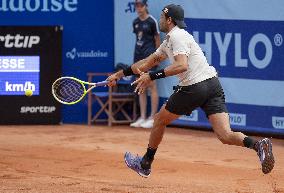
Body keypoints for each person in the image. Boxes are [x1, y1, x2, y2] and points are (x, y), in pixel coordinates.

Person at [107, 4, 275, 177]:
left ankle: (145, 164)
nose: (160, 20)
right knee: (225, 135)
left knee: (158, 120)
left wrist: (152, 76)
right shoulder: (168, 42)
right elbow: (145, 64)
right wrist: (119, 75)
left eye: (163, 18)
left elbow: (181, 65)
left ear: (169, 20)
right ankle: (258, 145)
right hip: (212, 85)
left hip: (195, 87)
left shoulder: (177, 36)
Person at [130, 0, 160, 129]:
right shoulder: (135, 22)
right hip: (138, 59)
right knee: (140, 86)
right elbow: (139, 40)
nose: (138, 8)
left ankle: (152, 117)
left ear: (146, 6)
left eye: (141, 5)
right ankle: (142, 117)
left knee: (152, 86)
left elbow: (157, 40)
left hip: (150, 59)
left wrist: (157, 58)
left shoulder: (152, 21)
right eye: (136, 5)